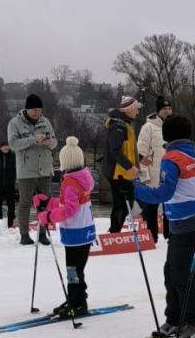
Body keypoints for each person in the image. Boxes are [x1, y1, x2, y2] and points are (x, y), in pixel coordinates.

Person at [133, 114, 195, 338]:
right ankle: (175, 317)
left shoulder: (171, 158)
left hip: (186, 222)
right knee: (172, 271)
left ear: (167, 134)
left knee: (182, 274)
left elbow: (164, 193)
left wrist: (135, 189)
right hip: (189, 220)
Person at [37, 137, 97, 318]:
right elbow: (67, 203)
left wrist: (48, 216)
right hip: (84, 230)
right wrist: (49, 203)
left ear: (65, 161)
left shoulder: (70, 183)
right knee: (76, 269)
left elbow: (70, 210)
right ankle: (75, 298)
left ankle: (78, 302)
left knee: (73, 270)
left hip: (75, 232)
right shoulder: (83, 177)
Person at [8, 94, 56, 246]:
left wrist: (50, 142)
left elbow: (55, 142)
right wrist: (33, 139)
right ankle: (24, 234)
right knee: (25, 203)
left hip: (45, 169)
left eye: (39, 110)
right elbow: (13, 145)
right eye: (34, 110)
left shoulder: (45, 121)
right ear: (27, 109)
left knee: (45, 203)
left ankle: (43, 233)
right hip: (26, 171)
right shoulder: (14, 123)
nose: (37, 113)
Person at [136, 96, 173, 241]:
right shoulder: (148, 127)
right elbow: (141, 150)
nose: (168, 111)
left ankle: (169, 234)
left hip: (169, 172)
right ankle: (151, 236)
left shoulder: (173, 126)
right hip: (153, 173)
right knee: (151, 206)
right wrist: (144, 173)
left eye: (169, 108)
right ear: (158, 111)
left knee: (169, 205)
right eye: (164, 109)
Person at [103, 95, 140, 233]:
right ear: (128, 110)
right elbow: (115, 150)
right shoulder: (118, 126)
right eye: (135, 109)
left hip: (124, 171)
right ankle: (114, 232)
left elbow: (128, 149)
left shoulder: (125, 124)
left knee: (124, 204)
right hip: (118, 172)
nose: (137, 112)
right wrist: (129, 166)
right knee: (122, 205)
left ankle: (114, 230)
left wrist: (139, 160)